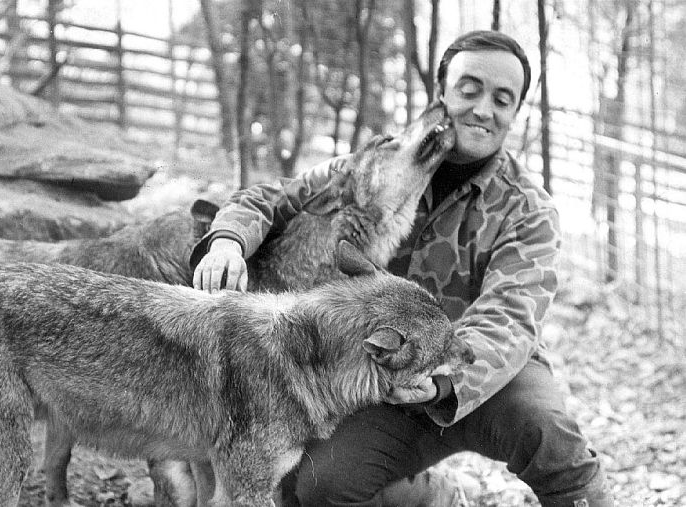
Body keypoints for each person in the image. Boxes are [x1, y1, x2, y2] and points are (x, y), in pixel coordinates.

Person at [190, 30, 610, 507]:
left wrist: (445, 381)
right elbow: (272, 196)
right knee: (321, 483)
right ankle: (438, 498)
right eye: (469, 89)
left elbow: (511, 316)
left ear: (514, 113)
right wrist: (228, 240)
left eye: (501, 99)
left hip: (488, 367)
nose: (482, 108)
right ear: (442, 93)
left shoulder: (528, 209)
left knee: (549, 435)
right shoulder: (388, 169)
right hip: (390, 375)